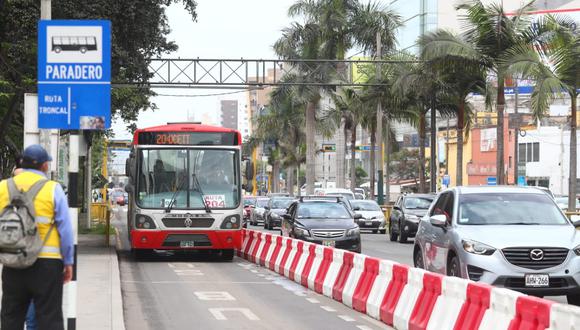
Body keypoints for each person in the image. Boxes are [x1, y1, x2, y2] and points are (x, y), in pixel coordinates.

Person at [0, 145, 74, 330]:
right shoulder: (52, 189)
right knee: (49, 318)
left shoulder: (3, 187)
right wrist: (68, 262)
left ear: (22, 163)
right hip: (47, 265)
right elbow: (65, 229)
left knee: (11, 318)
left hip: (12, 262)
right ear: (44, 166)